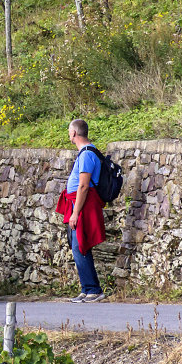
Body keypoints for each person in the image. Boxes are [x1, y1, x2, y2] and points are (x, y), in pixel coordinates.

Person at [56, 118, 107, 303]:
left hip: (81, 206)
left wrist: (75, 213)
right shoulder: (86, 153)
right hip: (78, 204)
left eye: (69, 131)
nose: (69, 134)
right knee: (78, 246)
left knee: (80, 246)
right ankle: (87, 289)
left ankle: (93, 289)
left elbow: (84, 186)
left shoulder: (86, 155)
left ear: (75, 133)